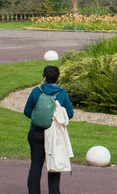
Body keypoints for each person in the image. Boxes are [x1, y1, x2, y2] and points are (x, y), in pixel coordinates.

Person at [24, 65, 74, 194]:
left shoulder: (37, 91)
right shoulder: (62, 93)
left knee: (35, 165)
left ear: (44, 77)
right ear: (57, 78)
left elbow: (27, 111)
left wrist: (38, 119)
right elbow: (70, 113)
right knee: (54, 165)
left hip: (36, 132)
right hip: (54, 134)